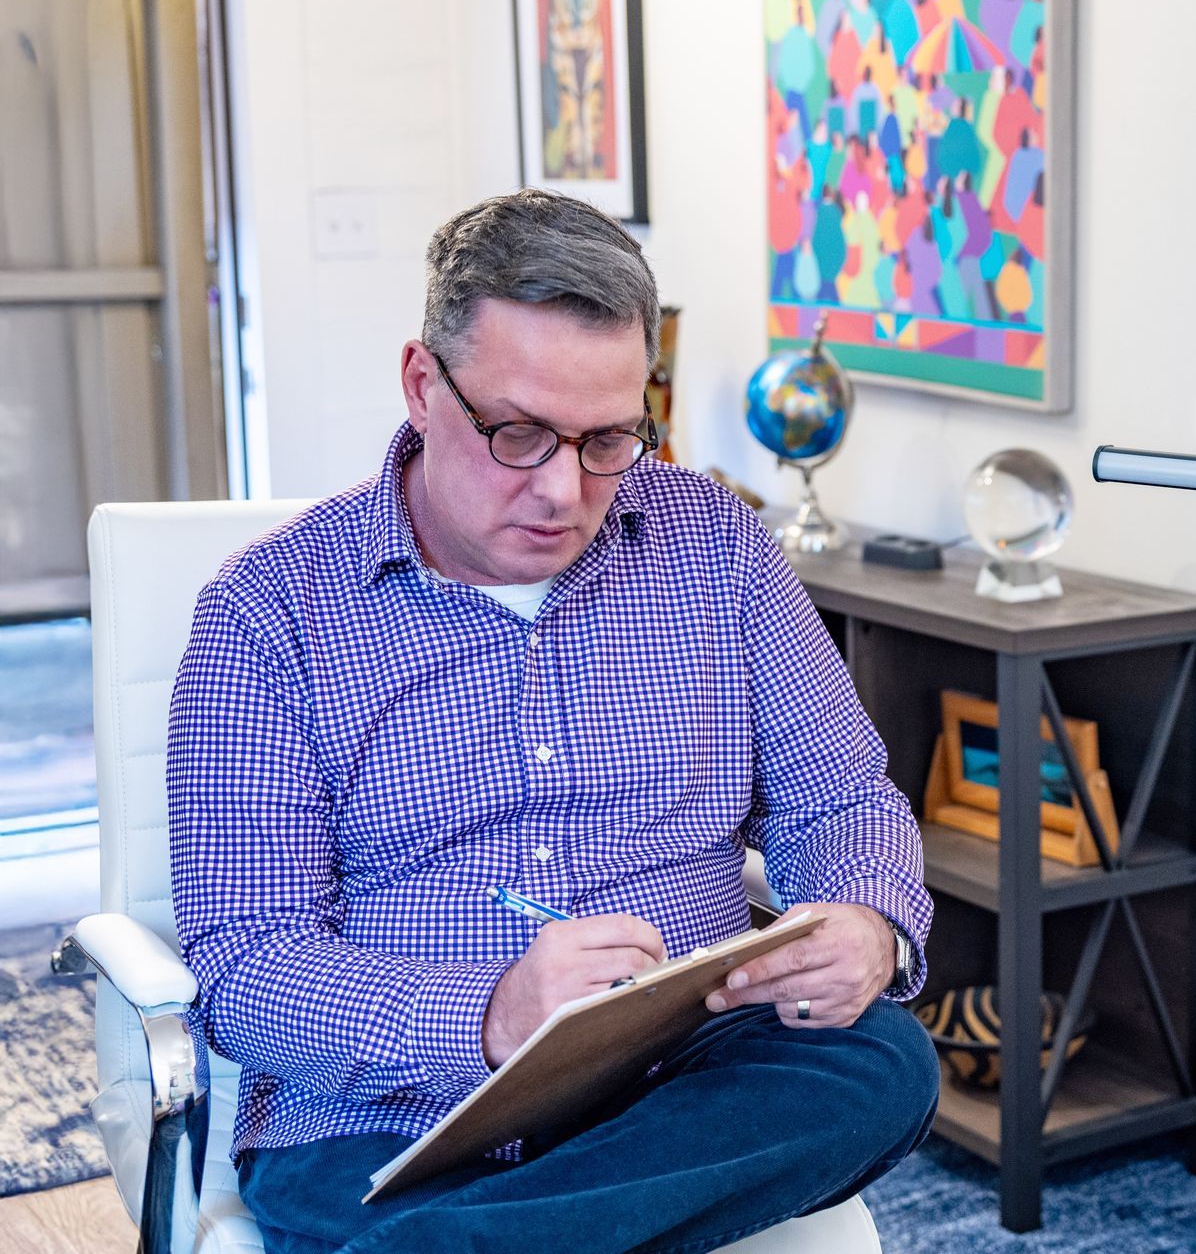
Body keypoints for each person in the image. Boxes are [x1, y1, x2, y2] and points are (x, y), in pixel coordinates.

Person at [167, 189, 939, 1254]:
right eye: (521, 434)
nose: (567, 491)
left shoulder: (716, 545)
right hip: (388, 1122)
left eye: (610, 438)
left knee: (885, 1062)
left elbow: (841, 794)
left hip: (678, 1078)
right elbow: (247, 962)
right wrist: (490, 1016)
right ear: (422, 385)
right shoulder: (270, 612)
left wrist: (864, 919)